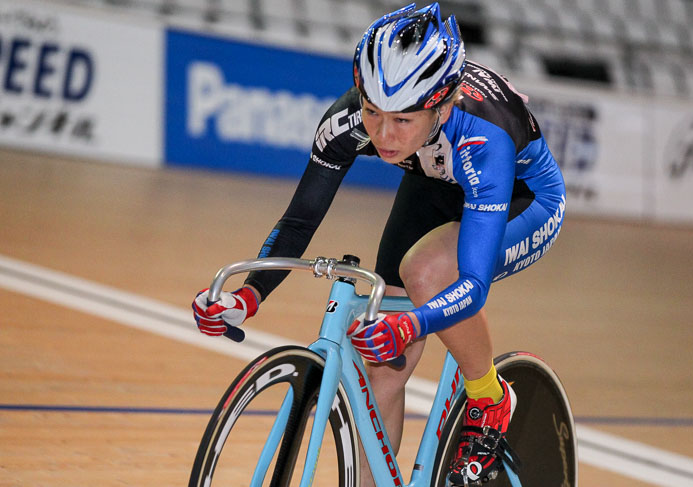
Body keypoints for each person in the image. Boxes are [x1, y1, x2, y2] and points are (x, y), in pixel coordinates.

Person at [192, 3, 566, 485]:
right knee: (381, 369)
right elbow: (300, 219)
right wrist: (248, 296)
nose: (384, 135)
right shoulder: (351, 120)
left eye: (403, 120)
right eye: (373, 112)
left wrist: (411, 323)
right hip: (434, 181)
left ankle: (490, 397)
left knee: (428, 272)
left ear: (443, 107)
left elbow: (472, 283)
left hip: (521, 199)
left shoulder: (483, 138)